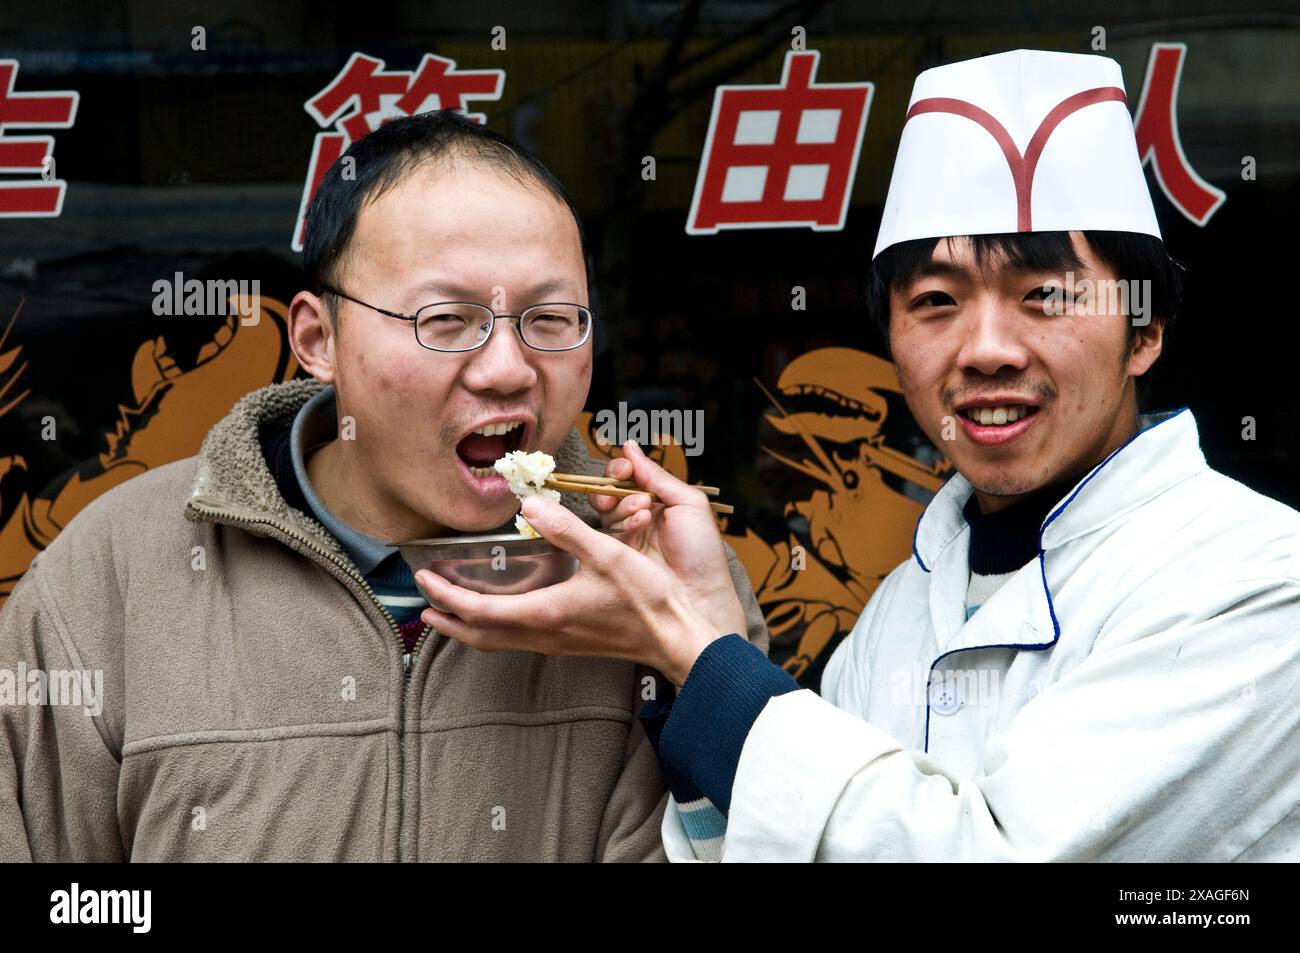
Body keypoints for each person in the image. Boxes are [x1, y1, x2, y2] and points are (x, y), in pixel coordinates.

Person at [414, 50, 1300, 861]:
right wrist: (705, 641)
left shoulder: (1251, 578)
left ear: (1143, 331)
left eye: (1044, 296)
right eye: (938, 300)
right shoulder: (904, 605)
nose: (987, 348)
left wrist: (699, 652)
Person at [0, 110, 768, 862]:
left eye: (551, 316)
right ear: (317, 338)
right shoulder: (111, 573)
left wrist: (701, 661)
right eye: (446, 318)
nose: (507, 367)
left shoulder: (652, 569)